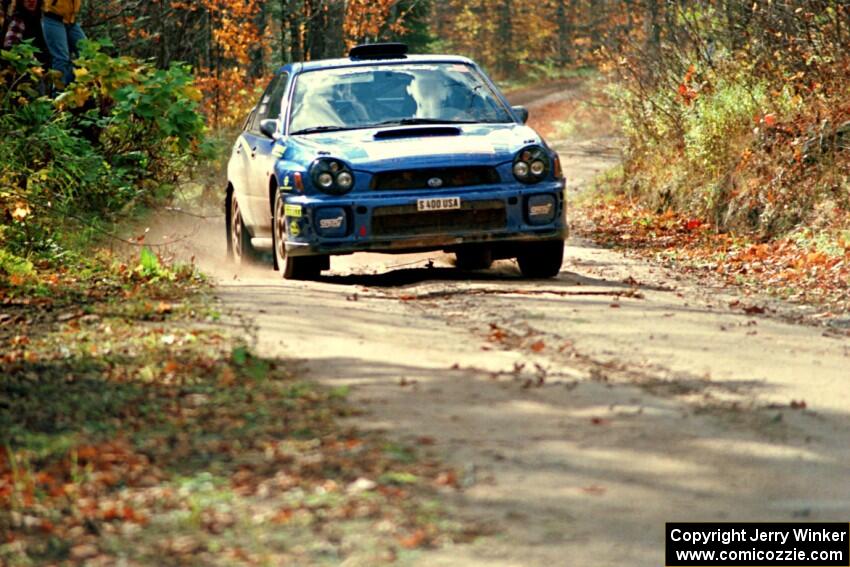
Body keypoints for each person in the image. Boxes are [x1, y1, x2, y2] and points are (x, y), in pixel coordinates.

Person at [41, 0, 83, 86]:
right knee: (61, 58)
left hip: (70, 20)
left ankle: (84, 90)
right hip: (53, 17)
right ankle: (58, 93)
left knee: (88, 53)